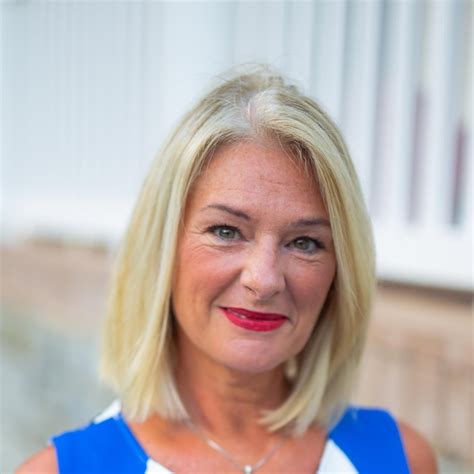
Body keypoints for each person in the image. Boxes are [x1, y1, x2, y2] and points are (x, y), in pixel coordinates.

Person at [17, 65, 437, 473]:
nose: (264, 280)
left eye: (304, 242)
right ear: (163, 248)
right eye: (226, 231)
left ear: (338, 275)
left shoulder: (401, 459)